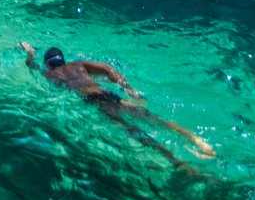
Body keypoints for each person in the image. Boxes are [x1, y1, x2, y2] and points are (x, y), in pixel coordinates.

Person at [19, 42, 215, 166]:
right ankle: (196, 139)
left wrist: (29, 53)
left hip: (96, 101)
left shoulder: (51, 74)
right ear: (63, 59)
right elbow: (106, 68)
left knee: (133, 130)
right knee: (154, 119)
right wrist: (128, 88)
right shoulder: (78, 64)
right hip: (109, 94)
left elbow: (31, 66)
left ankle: (177, 162)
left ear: (48, 64)